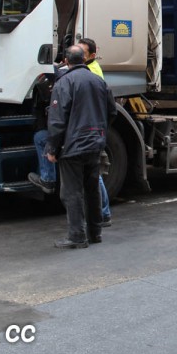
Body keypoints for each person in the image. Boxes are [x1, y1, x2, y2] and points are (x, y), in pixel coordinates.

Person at [46, 45, 116, 249]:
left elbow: (58, 120)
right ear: (84, 60)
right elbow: (112, 111)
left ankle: (77, 236)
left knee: (72, 192)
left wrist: (52, 148)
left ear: (66, 62)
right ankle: (95, 233)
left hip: (73, 145)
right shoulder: (99, 81)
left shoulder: (64, 83)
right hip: (95, 143)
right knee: (92, 188)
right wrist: (100, 131)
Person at [77, 37, 112, 226]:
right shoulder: (91, 68)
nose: (78, 57)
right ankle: (102, 213)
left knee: (94, 174)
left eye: (82, 54)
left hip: (91, 129)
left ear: (92, 55)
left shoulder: (91, 72)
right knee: (93, 174)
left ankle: (104, 213)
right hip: (94, 128)